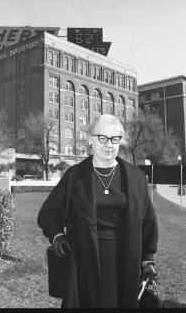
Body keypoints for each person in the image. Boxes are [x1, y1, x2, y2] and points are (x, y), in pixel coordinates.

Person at [37, 114, 158, 308]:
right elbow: (48, 213)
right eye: (102, 138)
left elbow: (148, 221)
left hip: (125, 259)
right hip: (84, 259)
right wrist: (58, 236)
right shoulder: (75, 176)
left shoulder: (136, 178)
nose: (108, 144)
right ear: (91, 140)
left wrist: (147, 259)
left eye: (114, 139)